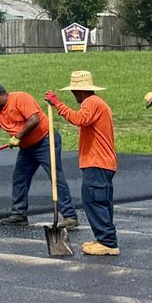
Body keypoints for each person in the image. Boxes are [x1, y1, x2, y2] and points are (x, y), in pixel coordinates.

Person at [0, 81, 76, 227]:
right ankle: (19, 214)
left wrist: (18, 136)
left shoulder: (21, 98)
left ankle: (70, 216)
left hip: (46, 141)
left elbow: (34, 120)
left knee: (55, 176)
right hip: (27, 148)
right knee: (20, 177)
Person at [46, 71, 118, 257]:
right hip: (101, 161)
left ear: (80, 90)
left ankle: (108, 242)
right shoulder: (97, 104)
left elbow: (79, 119)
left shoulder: (91, 103)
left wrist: (57, 104)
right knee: (100, 200)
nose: (73, 95)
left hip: (97, 161)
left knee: (94, 199)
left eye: (74, 91)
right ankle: (104, 239)